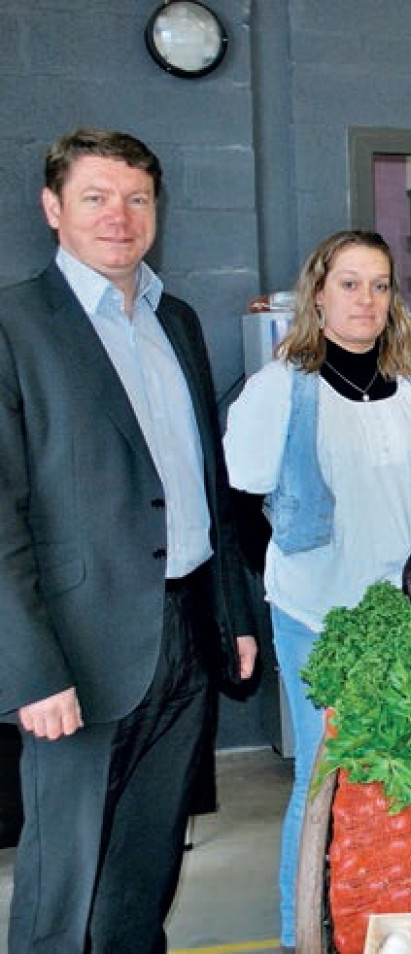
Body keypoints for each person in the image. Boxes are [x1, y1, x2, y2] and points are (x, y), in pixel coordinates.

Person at [0, 127, 257, 953]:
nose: (120, 216)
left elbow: (204, 491)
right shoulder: (15, 325)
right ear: (53, 209)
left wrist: (233, 615)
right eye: (96, 197)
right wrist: (30, 672)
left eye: (137, 198)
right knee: (64, 881)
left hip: (183, 637)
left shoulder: (173, 319)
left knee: (146, 868)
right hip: (77, 654)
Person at [223, 230, 411, 948]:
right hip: (320, 620)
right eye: (349, 283)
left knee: (404, 776)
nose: (366, 300)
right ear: (318, 292)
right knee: (324, 781)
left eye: (380, 285)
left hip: (406, 619)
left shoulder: (410, 385)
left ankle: (383, 918)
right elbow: (239, 501)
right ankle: (301, 934)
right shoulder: (278, 388)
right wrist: (290, 571)